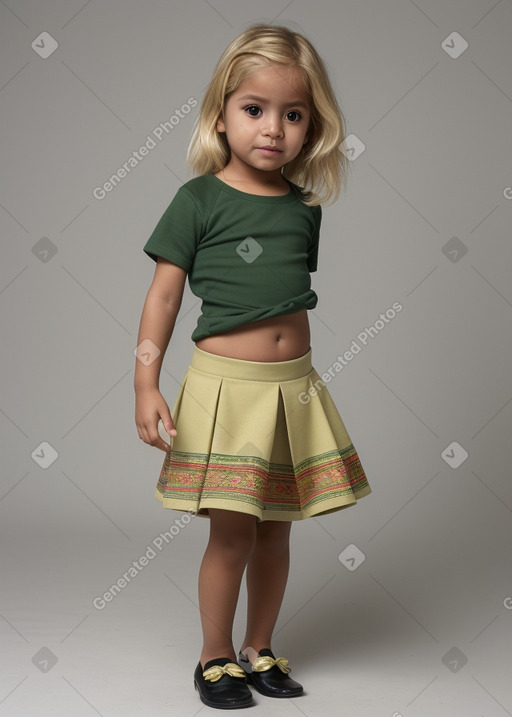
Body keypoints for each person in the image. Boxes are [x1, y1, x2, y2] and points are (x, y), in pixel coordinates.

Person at [134, 23, 372, 710]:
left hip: (291, 390)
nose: (274, 128)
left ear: (311, 126)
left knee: (277, 529)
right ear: (221, 114)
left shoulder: (304, 210)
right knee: (231, 530)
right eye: (255, 109)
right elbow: (165, 293)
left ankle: (258, 645)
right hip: (225, 389)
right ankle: (214, 655)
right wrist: (146, 380)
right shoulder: (198, 200)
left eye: (293, 114)